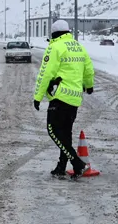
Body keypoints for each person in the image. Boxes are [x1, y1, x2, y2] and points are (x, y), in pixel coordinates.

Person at [33, 19, 95, 179]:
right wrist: (89, 85)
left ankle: (77, 163)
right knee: (66, 134)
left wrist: (38, 96)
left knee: (53, 131)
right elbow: (88, 69)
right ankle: (61, 167)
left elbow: (45, 73)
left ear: (54, 34)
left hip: (60, 96)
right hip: (75, 98)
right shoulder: (78, 47)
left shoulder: (54, 47)